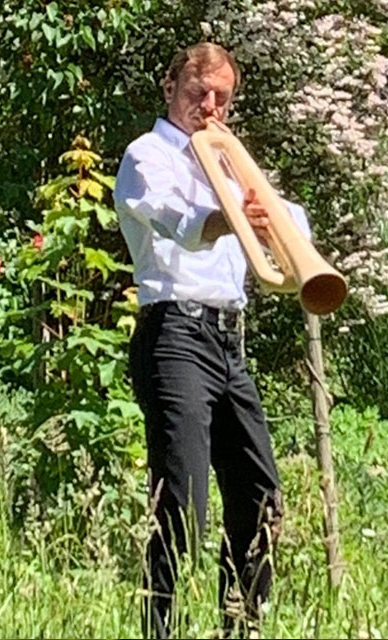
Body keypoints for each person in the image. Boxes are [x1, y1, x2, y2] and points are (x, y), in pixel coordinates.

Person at [114, 42, 311, 638]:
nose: (210, 107)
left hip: (228, 340)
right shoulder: (146, 155)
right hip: (174, 333)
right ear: (169, 87)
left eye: (222, 97)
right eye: (198, 93)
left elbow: (292, 226)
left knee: (260, 496)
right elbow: (175, 219)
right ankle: (161, 629)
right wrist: (233, 217)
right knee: (182, 501)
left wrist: (269, 217)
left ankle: (241, 626)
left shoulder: (230, 162)